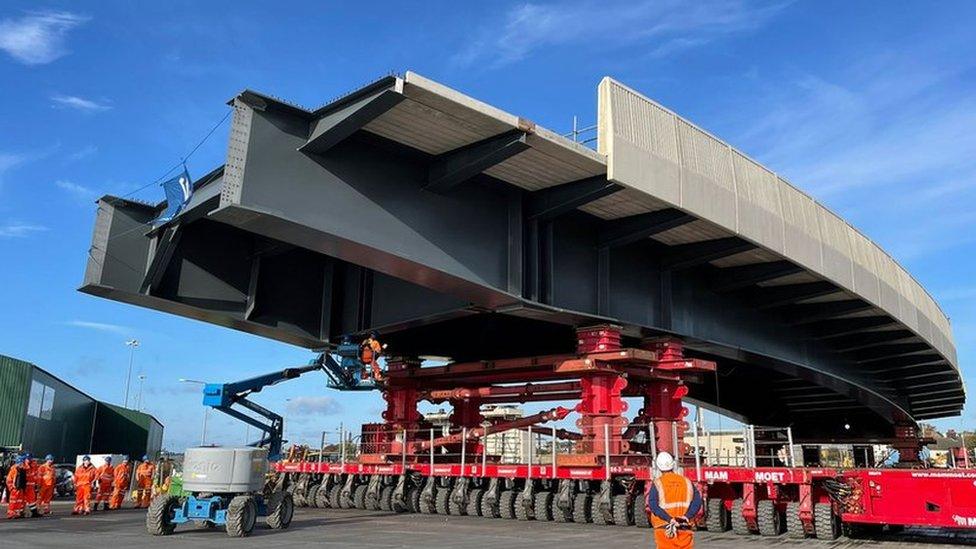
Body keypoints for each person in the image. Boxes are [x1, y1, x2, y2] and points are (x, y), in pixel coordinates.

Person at [646, 452, 702, 549]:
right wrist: (686, 516)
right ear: (673, 464)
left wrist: (669, 519)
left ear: (658, 467)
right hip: (684, 526)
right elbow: (697, 502)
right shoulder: (687, 482)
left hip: (665, 528)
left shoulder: (658, 483)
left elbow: (653, 505)